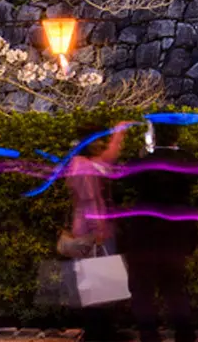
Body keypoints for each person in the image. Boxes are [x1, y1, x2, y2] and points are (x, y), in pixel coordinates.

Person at [117, 127, 198, 342]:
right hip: (176, 234)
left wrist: (142, 154)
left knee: (143, 291)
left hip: (144, 234)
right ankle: (185, 335)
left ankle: (149, 336)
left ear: (153, 135)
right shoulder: (187, 161)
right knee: (175, 289)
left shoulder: (142, 163)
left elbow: (125, 178)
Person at [61, 124, 134, 342]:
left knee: (104, 283)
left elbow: (109, 159)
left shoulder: (90, 163)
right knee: (96, 284)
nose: (101, 144)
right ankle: (96, 333)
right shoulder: (82, 166)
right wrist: (98, 230)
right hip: (92, 231)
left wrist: (119, 134)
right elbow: (88, 200)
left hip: (97, 228)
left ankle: (103, 331)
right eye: (98, 140)